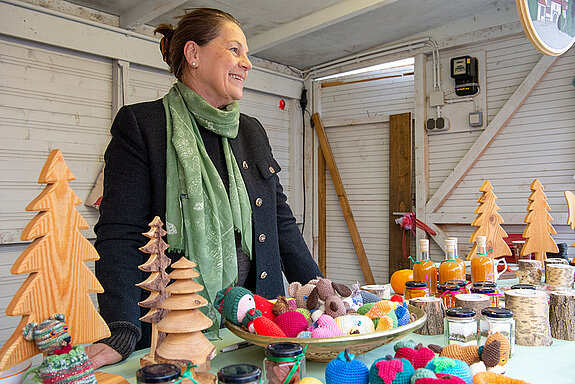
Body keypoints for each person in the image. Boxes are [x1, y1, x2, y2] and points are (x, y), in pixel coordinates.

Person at [85, 8, 322, 369]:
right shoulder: (143, 125)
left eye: (246, 54)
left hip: (258, 327)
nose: (247, 64)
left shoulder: (251, 130)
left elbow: (279, 219)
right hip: (174, 335)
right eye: (234, 50)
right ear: (193, 55)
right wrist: (121, 327)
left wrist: (316, 287)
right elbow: (119, 235)